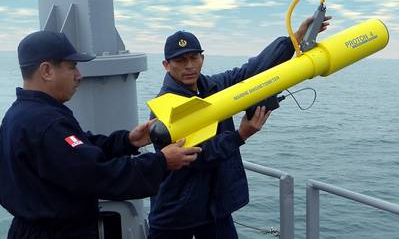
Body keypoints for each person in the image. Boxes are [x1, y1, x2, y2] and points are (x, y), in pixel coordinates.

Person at [0, 31, 202, 239]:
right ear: (47, 71)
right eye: (72, 67)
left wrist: (127, 141)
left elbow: (80, 149)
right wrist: (161, 162)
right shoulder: (46, 124)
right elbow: (97, 175)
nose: (79, 75)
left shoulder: (19, 114)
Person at [148, 17, 331, 239]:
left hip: (215, 209)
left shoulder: (214, 87)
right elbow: (197, 158)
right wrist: (241, 134)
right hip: (176, 214)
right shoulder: (163, 109)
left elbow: (251, 71)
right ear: (167, 65)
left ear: (202, 59)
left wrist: (296, 38)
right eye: (180, 60)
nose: (189, 66)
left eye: (194, 57)